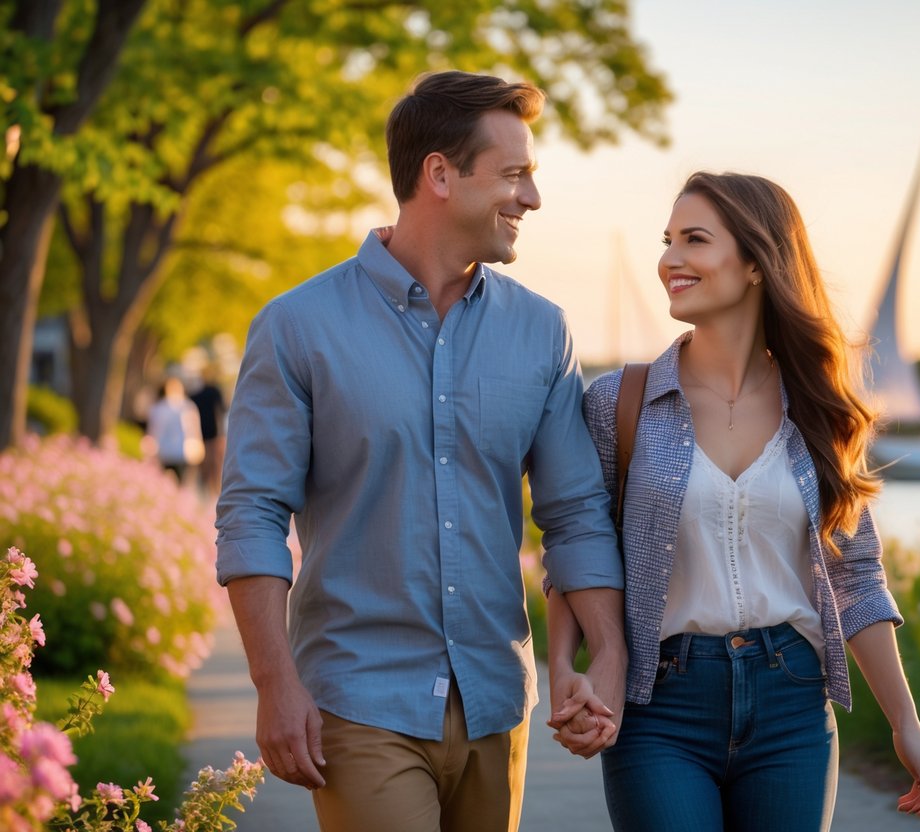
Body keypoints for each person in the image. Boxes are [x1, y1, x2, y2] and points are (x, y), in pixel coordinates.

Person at [215, 71, 626, 832]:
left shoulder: (543, 332)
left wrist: (601, 664)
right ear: (439, 174)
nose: (531, 199)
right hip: (358, 699)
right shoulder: (298, 326)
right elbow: (252, 513)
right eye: (514, 175)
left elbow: (574, 517)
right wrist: (274, 684)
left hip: (495, 702)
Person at [545, 172, 920, 831]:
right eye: (667, 240)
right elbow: (577, 550)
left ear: (758, 262)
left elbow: (854, 575)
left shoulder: (818, 410)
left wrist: (905, 723)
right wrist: (569, 667)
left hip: (791, 704)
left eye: (694, 240)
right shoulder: (617, 404)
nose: (670, 259)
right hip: (659, 706)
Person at [146, 376, 204, 484]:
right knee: (180, 484)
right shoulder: (188, 407)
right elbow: (193, 431)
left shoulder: (159, 408)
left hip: (166, 452)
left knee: (164, 483)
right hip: (181, 452)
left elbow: (154, 431)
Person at [189, 365, 227, 496]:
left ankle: (204, 490)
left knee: (203, 466)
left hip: (201, 434)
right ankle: (215, 492)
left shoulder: (195, 395)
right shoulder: (216, 392)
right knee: (215, 466)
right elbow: (222, 410)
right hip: (215, 434)